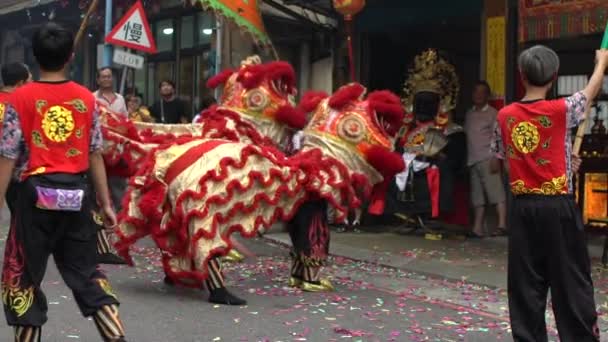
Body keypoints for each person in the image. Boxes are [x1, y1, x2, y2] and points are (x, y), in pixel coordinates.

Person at [0, 22, 127, 341]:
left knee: (24, 278)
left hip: (34, 198)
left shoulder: (20, 99)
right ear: (71, 56)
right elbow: (96, 154)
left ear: (35, 57)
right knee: (88, 274)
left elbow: (8, 156)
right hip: (76, 194)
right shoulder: (86, 99)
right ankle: (117, 337)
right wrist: (106, 205)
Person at [492, 45, 608, 342]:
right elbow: (590, 92)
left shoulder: (505, 116)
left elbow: (501, 166)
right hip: (557, 208)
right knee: (570, 282)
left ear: (521, 75)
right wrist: (601, 63)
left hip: (522, 208)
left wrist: (564, 160)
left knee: (526, 285)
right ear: (554, 76)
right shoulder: (560, 110)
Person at [465, 81, 507, 238]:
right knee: (477, 197)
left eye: (482, 92)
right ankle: (477, 228)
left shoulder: (493, 113)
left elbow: (499, 137)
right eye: (476, 91)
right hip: (473, 159)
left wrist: (497, 157)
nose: (478, 95)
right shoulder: (469, 113)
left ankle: (502, 225)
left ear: (487, 96)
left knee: (496, 193)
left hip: (488, 158)